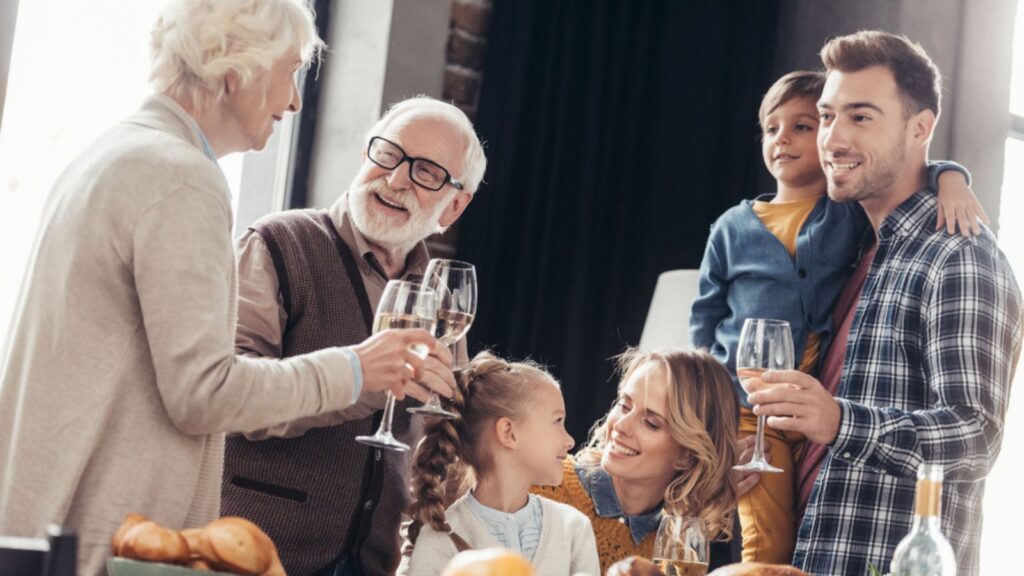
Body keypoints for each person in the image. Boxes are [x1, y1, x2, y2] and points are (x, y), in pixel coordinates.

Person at [0, 2, 439, 575]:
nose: (294, 101)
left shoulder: (119, 152)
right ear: (237, 70)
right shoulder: (183, 178)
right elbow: (203, 393)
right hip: (100, 540)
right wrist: (357, 369)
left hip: (48, 524)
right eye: (289, 72)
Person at [746, 31, 1022, 576]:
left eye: (861, 117)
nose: (833, 139)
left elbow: (975, 436)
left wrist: (838, 421)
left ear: (920, 128)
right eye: (827, 116)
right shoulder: (851, 247)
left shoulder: (959, 258)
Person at [689, 68, 988, 564]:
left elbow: (910, 170)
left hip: (811, 411)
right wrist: (710, 405)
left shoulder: (847, 213)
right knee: (764, 536)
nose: (784, 139)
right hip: (748, 407)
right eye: (772, 129)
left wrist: (953, 179)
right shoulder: (732, 227)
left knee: (787, 530)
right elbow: (704, 320)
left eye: (803, 126)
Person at [221, 96, 486, 576]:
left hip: (371, 564)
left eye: (426, 172)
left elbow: (439, 442)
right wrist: (360, 382)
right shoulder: (277, 244)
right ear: (365, 154)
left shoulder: (442, 300)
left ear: (454, 205)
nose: (397, 178)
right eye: (388, 153)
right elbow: (231, 399)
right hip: (253, 554)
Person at [535, 347, 741, 575]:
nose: (621, 425)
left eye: (651, 423)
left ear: (687, 455)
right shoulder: (541, 485)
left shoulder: (680, 553)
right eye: (624, 406)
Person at [398, 351, 600, 576]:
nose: (570, 441)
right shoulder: (438, 540)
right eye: (558, 421)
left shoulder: (573, 527)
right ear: (508, 433)